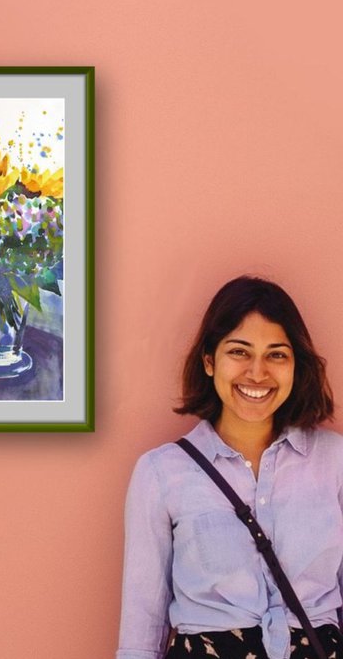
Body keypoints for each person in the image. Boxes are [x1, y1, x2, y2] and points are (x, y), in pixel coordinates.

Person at [117, 276, 343, 659]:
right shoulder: (161, 473)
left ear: (295, 366)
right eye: (239, 352)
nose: (257, 373)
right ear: (209, 361)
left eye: (276, 354)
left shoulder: (335, 461)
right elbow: (143, 623)